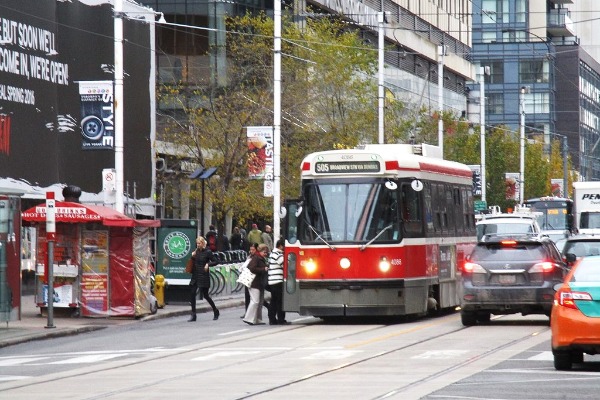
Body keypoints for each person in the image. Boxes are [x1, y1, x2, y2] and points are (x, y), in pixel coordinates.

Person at [188, 236, 220, 322]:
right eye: (197, 243)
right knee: (192, 293)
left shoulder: (208, 252)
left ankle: (215, 310)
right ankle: (193, 314)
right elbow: (192, 262)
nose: (198, 245)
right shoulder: (196, 251)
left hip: (203, 276)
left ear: (203, 243)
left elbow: (216, 261)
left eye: (199, 243)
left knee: (205, 295)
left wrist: (208, 264)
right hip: (195, 275)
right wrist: (192, 256)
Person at [242, 244, 269, 325]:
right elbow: (251, 268)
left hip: (259, 283)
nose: (266, 254)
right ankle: (248, 318)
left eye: (266, 252)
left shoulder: (260, 258)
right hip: (254, 283)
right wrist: (263, 269)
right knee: (255, 301)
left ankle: (257, 319)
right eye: (264, 252)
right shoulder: (256, 258)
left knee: (259, 302)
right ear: (260, 251)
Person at [267, 239, 288, 325]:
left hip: (272, 281)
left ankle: (272, 319)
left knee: (274, 301)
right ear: (281, 246)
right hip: (277, 281)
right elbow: (285, 264)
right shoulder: (278, 254)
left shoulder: (272, 253)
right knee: (280, 301)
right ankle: (280, 319)